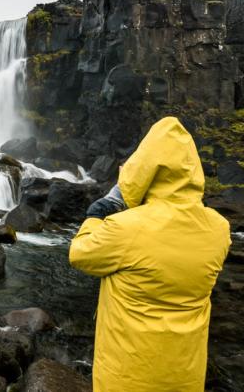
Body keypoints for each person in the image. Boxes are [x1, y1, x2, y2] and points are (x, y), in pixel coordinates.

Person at [69, 117, 231, 391]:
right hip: (185, 376)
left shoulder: (126, 228)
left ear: (141, 170)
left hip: (127, 378)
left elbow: (80, 253)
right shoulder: (219, 229)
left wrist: (103, 210)